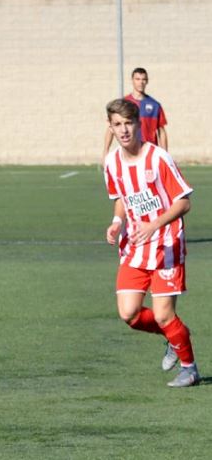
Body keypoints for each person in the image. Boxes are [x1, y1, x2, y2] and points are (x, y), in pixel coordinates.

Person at [103, 97, 198, 388]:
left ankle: (190, 369)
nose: (124, 130)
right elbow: (120, 198)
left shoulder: (158, 158)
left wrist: (154, 224)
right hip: (135, 245)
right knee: (128, 313)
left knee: (163, 313)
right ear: (111, 127)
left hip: (166, 244)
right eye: (117, 125)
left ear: (138, 124)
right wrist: (117, 222)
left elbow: (183, 203)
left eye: (128, 123)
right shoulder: (112, 163)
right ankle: (174, 335)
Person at [103, 67, 168, 155]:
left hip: (150, 151)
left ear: (147, 81)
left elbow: (161, 131)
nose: (141, 82)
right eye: (137, 79)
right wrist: (105, 150)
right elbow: (111, 127)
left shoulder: (155, 105)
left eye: (143, 79)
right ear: (132, 80)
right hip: (129, 151)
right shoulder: (124, 103)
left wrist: (165, 153)